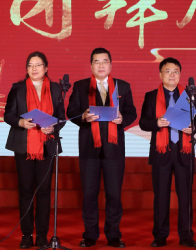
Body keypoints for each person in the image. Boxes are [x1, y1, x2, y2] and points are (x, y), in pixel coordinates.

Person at [66, 47, 137, 248]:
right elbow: (71, 111)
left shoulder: (123, 86)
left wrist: (123, 119)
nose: (101, 65)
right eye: (97, 61)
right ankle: (90, 234)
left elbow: (131, 112)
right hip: (89, 149)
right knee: (89, 194)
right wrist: (83, 116)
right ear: (91, 65)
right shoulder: (80, 86)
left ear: (110, 64)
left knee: (113, 194)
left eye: (105, 61)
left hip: (114, 149)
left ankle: (113, 235)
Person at [4, 51, 66, 249]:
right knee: (25, 191)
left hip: (47, 145)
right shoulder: (18, 88)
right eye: (30, 65)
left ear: (46, 68)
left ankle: (41, 235)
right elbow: (8, 115)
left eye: (38, 65)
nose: (34, 68)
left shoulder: (55, 89)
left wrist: (53, 127)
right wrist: (20, 122)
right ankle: (26, 235)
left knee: (44, 192)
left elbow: (61, 117)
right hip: (23, 146)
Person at [139, 57, 196, 248]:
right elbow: (143, 123)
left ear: (180, 74)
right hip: (161, 152)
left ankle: (186, 235)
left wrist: (193, 128)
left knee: (185, 197)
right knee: (161, 197)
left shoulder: (189, 95)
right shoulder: (151, 96)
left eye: (176, 71)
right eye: (168, 71)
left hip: (184, 151)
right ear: (160, 74)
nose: (172, 75)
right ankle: (160, 235)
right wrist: (156, 122)